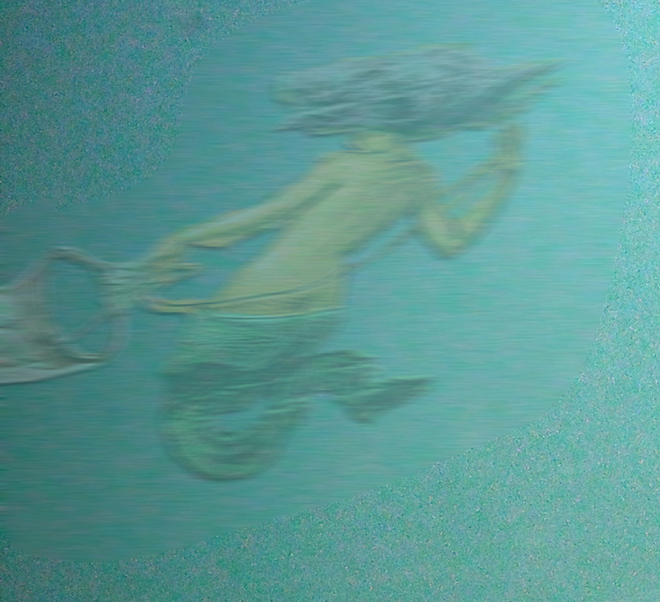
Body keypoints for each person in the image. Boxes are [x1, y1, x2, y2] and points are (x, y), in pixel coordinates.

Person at [135, 45, 555, 480]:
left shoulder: (344, 165)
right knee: (245, 386)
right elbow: (452, 241)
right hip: (322, 308)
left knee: (187, 399)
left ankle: (327, 380)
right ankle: (337, 382)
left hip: (262, 295)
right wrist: (507, 173)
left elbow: (266, 216)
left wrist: (182, 237)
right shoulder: (418, 176)